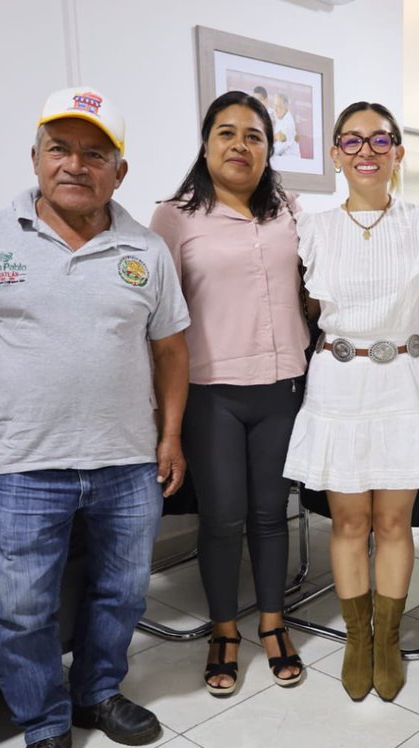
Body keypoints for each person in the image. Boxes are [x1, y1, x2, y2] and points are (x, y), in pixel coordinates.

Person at [0, 87, 190, 748]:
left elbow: (172, 353)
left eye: (94, 153)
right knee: (21, 608)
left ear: (119, 171)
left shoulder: (145, 249)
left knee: (123, 593)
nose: (76, 165)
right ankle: (45, 727)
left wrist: (170, 436)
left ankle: (96, 693)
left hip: (127, 463)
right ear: (37, 157)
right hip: (26, 466)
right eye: (61, 149)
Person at [283, 101, 419, 702]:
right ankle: (359, 636)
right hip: (339, 381)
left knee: (393, 521)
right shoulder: (311, 229)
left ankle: (389, 638)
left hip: (403, 382)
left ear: (398, 153)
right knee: (350, 521)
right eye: (351, 142)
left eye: (380, 141)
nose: (366, 152)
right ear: (334, 155)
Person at [149, 91, 309, 697]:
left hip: (282, 385)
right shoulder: (174, 216)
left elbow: (312, 289)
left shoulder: (290, 210)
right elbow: (157, 320)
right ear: (207, 142)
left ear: (269, 149)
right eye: (227, 133)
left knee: (272, 515)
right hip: (211, 391)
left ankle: (272, 622)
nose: (240, 145)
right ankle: (224, 631)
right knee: (221, 519)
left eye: (254, 136)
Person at [272, 93, 300, 158]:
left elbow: (278, 149)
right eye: (275, 106)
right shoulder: (280, 115)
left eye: (279, 106)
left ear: (286, 106)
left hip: (290, 163)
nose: (275, 109)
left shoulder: (288, 124)